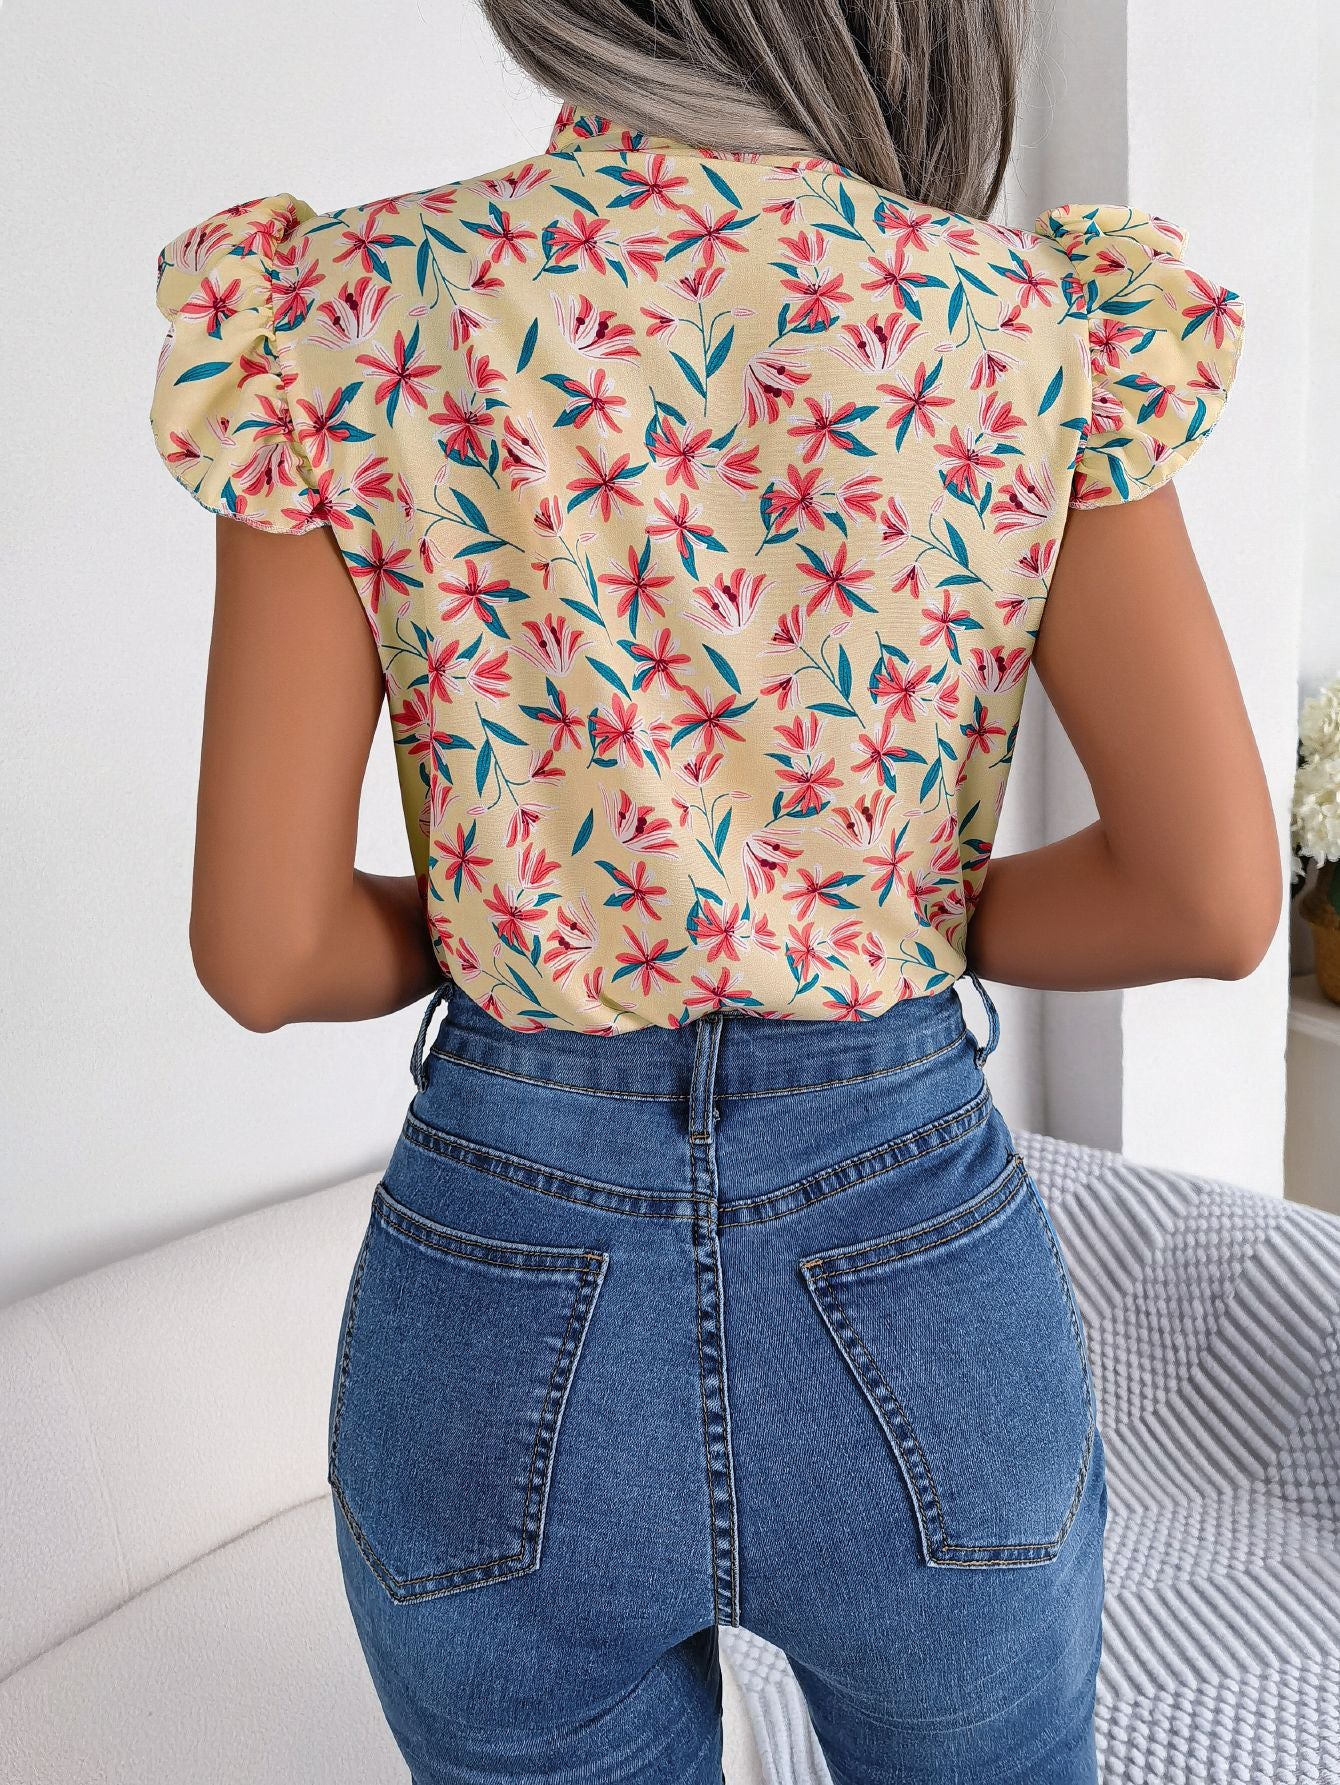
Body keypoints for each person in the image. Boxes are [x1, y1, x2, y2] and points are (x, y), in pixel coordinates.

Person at [147, 3, 1279, 1779]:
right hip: (912, 1260)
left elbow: (267, 952)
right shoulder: (1023, 323)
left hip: (499, 1295)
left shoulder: (342, 312)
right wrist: (877, 914)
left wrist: (541, 916)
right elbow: (1208, 900)